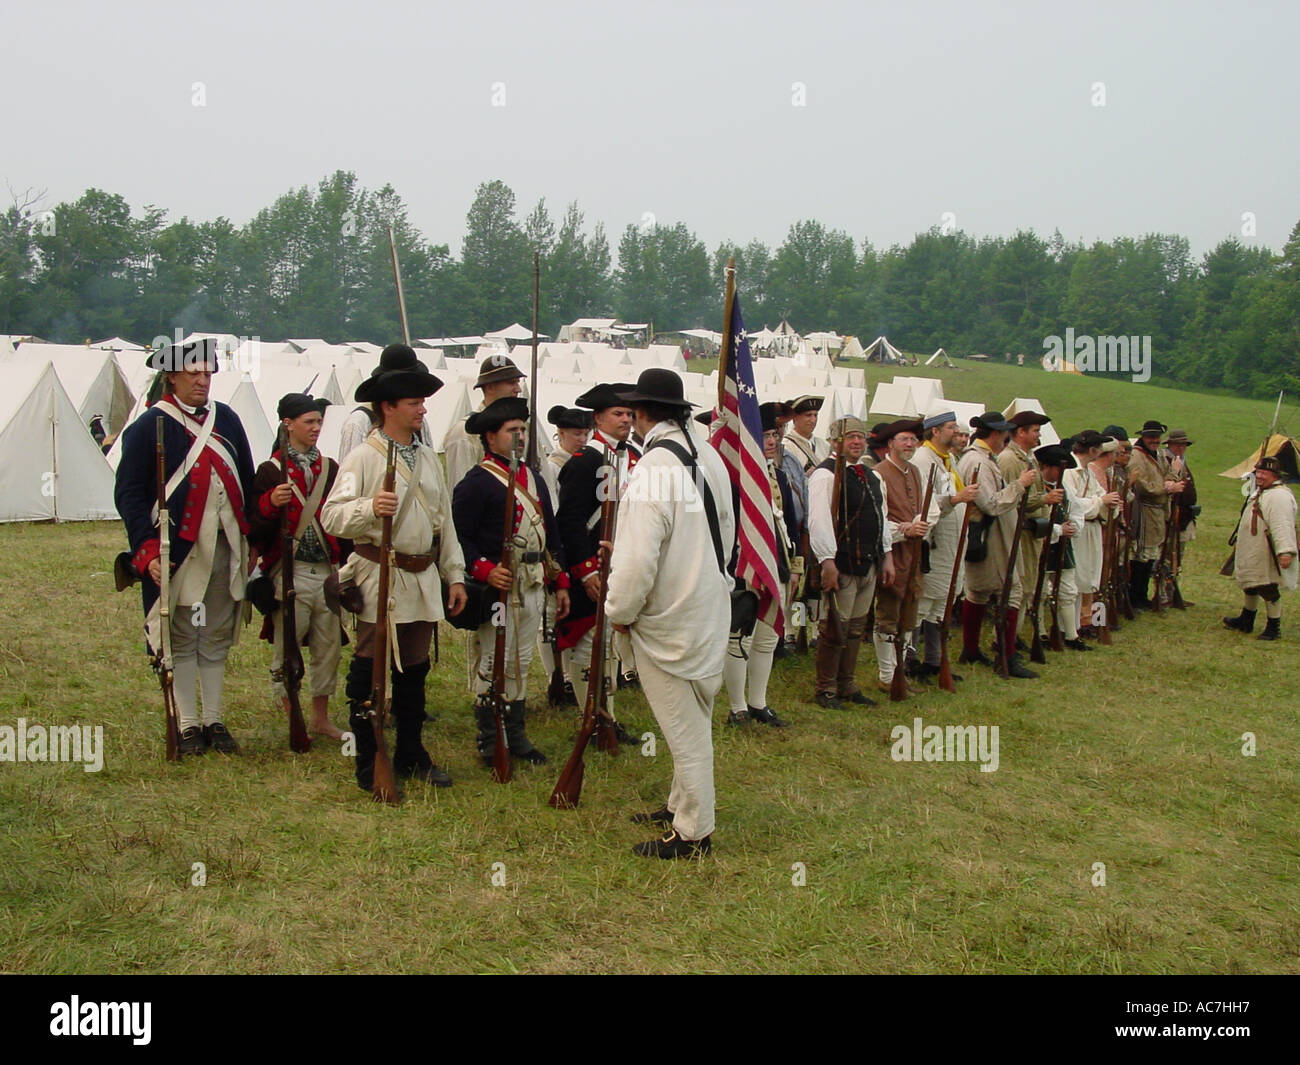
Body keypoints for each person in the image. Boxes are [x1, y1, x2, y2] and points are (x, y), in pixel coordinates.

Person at [321, 344, 468, 794]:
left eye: (423, 402)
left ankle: (410, 751)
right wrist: (369, 507)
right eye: (414, 402)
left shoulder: (425, 457)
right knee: (369, 671)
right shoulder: (364, 457)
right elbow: (331, 515)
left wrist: (455, 574)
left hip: (421, 579)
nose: (423, 409)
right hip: (379, 577)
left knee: (414, 673)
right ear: (388, 407)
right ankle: (369, 761)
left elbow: (444, 521)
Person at [606, 369, 733, 859]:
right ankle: (681, 803)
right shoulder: (712, 458)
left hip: (671, 616)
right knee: (693, 717)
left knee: (687, 732)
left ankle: (694, 832)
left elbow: (638, 559)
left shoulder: (653, 469)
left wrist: (619, 610)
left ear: (641, 414)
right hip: (708, 605)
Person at [114, 338, 257, 755]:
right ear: (172, 376)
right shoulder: (148, 427)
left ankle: (214, 719)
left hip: (227, 548)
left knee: (214, 633)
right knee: (180, 636)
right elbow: (130, 495)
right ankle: (189, 724)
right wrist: (145, 551)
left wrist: (253, 542)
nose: (202, 380)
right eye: (194, 372)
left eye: (207, 373)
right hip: (179, 551)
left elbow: (245, 481)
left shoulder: (226, 419)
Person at [452, 397, 570, 766]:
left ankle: (515, 734)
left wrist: (561, 580)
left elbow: (551, 532)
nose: (519, 436)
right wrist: (485, 569)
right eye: (511, 430)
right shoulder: (476, 483)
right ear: (491, 436)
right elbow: (459, 538)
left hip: (533, 582)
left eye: (522, 429)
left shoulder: (533, 477)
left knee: (520, 661)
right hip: (499, 590)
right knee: (493, 659)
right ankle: (491, 738)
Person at [249, 393, 348, 740]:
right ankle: (294, 716)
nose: (316, 428)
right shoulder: (270, 471)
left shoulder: (331, 469)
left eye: (318, 422)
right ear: (288, 424)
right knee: (286, 647)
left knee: (328, 649)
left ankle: (320, 718)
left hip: (326, 571)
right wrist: (269, 502)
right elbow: (255, 528)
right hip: (290, 571)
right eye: (309, 422)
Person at [556, 382, 642, 742]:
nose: (625, 419)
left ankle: (607, 715)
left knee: (609, 644)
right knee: (588, 641)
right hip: (591, 565)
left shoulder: (633, 455)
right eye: (618, 414)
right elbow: (570, 521)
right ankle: (591, 716)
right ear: (598, 419)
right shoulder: (585, 461)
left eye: (628, 413)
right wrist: (585, 570)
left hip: (622, 561)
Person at [808, 417, 891, 708]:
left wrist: (887, 555)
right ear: (835, 442)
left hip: (868, 562)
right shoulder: (825, 476)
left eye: (860, 436)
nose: (856, 441)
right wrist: (827, 561)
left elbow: (882, 518)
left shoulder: (872, 475)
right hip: (842, 563)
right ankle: (826, 689)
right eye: (849, 437)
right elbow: (818, 522)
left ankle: (847, 684)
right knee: (835, 628)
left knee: (856, 627)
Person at [721, 403, 795, 727]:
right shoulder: (735, 478)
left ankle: (758, 702)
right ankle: (736, 706)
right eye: (763, 435)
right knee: (739, 636)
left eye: (773, 434)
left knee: (768, 638)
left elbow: (788, 522)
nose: (771, 441)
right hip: (744, 566)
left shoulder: (777, 475)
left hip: (775, 563)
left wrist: (794, 564)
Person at [956, 413, 1037, 677]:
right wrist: (1020, 485)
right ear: (994, 434)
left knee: (979, 593)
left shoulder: (980, 459)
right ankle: (1006, 654)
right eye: (1004, 433)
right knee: (1009, 591)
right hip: (990, 536)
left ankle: (972, 650)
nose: (1007, 438)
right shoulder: (977, 461)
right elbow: (991, 504)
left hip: (991, 535)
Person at [910, 407, 980, 680]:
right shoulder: (924, 459)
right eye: (951, 427)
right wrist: (955, 500)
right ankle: (911, 659)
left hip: (953, 543)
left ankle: (935, 660)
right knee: (926, 601)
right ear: (936, 431)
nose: (957, 432)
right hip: (935, 542)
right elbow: (925, 503)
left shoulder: (947, 459)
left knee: (942, 602)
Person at [870, 419, 935, 695]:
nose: (910, 445)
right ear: (890, 443)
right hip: (891, 550)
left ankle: (900, 671)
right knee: (889, 611)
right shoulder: (879, 473)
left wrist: (921, 522)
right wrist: (904, 529)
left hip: (914, 551)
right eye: (904, 439)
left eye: (913, 440)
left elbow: (926, 508)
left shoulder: (916, 472)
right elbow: (878, 518)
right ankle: (887, 675)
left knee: (909, 609)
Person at [538, 405, 591, 704]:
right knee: (550, 616)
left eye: (585, 433)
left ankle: (572, 675)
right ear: (560, 434)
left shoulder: (587, 463)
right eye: (575, 434)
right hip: (558, 546)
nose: (581, 439)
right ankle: (558, 677)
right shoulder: (554, 466)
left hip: (578, 543)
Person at [1223, 455, 1297, 641]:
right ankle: (1246, 619)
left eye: (1265, 473)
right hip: (1253, 549)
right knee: (1250, 583)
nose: (1261, 476)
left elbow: (1282, 525)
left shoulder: (1279, 496)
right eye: (1259, 472)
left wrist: (1285, 552)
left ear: (1275, 475)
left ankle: (1274, 626)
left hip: (1266, 551)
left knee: (1267, 587)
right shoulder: (1262, 491)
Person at [998, 411, 1056, 646]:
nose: (1037, 435)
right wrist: (1043, 500)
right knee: (1019, 586)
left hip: (1032, 531)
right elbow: (1013, 498)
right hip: (1020, 531)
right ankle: (1005, 637)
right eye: (1034, 430)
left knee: (1027, 586)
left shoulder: (1027, 458)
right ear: (1020, 432)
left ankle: (1014, 634)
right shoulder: (1010, 460)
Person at [442, 353, 526, 492]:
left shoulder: (522, 427)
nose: (518, 389)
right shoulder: (463, 433)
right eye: (511, 383)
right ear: (490, 387)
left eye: (517, 382)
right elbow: (463, 490)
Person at [1032, 444, 1087, 651]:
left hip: (1064, 544)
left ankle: (1071, 635)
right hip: (1043, 543)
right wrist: (1057, 530)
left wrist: (1073, 527)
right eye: (1056, 468)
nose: (1058, 473)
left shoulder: (1063, 488)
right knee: (1040, 591)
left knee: (1068, 590)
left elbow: (1076, 510)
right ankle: (1041, 633)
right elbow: (1033, 519)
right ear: (1047, 466)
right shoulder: (1037, 488)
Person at [1126, 420, 1185, 609]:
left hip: (1158, 511)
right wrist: (1165, 488)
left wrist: (1170, 483)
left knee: (1151, 554)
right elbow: (1140, 484)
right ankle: (1136, 596)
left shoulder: (1159, 454)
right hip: (1144, 509)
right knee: (1141, 554)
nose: (1154, 440)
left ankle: (1142, 596)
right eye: (1151, 437)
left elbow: (1169, 473)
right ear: (1143, 437)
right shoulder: (1137, 456)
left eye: (1157, 437)